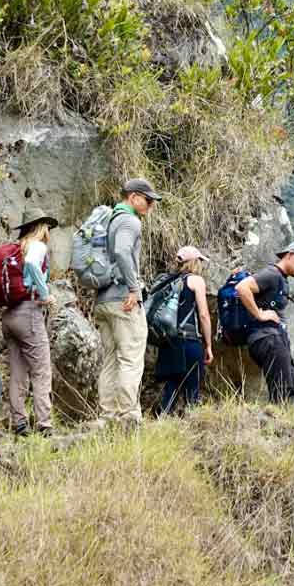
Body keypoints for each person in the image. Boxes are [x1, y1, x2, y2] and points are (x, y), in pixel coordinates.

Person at [94, 178, 161, 426]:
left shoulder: (109, 220)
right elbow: (123, 251)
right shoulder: (129, 220)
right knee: (131, 357)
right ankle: (128, 416)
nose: (151, 206)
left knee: (111, 358)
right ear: (133, 197)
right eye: (148, 200)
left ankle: (107, 415)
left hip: (103, 300)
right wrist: (134, 288)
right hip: (124, 300)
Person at [0, 208, 58, 436]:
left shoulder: (16, 249)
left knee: (17, 372)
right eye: (47, 227)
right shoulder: (37, 246)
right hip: (29, 314)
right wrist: (45, 295)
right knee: (41, 371)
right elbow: (34, 265)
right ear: (41, 228)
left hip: (10, 316)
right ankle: (44, 425)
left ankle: (19, 424)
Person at [236, 240, 294, 406]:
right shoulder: (272, 274)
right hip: (267, 339)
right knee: (281, 392)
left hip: (276, 341)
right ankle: (273, 427)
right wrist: (259, 314)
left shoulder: (282, 279)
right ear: (290, 255)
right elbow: (242, 287)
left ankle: (289, 425)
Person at [154, 246, 214, 415]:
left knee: (171, 386)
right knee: (192, 390)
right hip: (189, 342)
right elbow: (203, 315)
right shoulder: (196, 280)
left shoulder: (169, 281)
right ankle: (192, 423)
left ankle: (162, 423)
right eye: (200, 261)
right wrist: (208, 345)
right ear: (195, 262)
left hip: (169, 343)